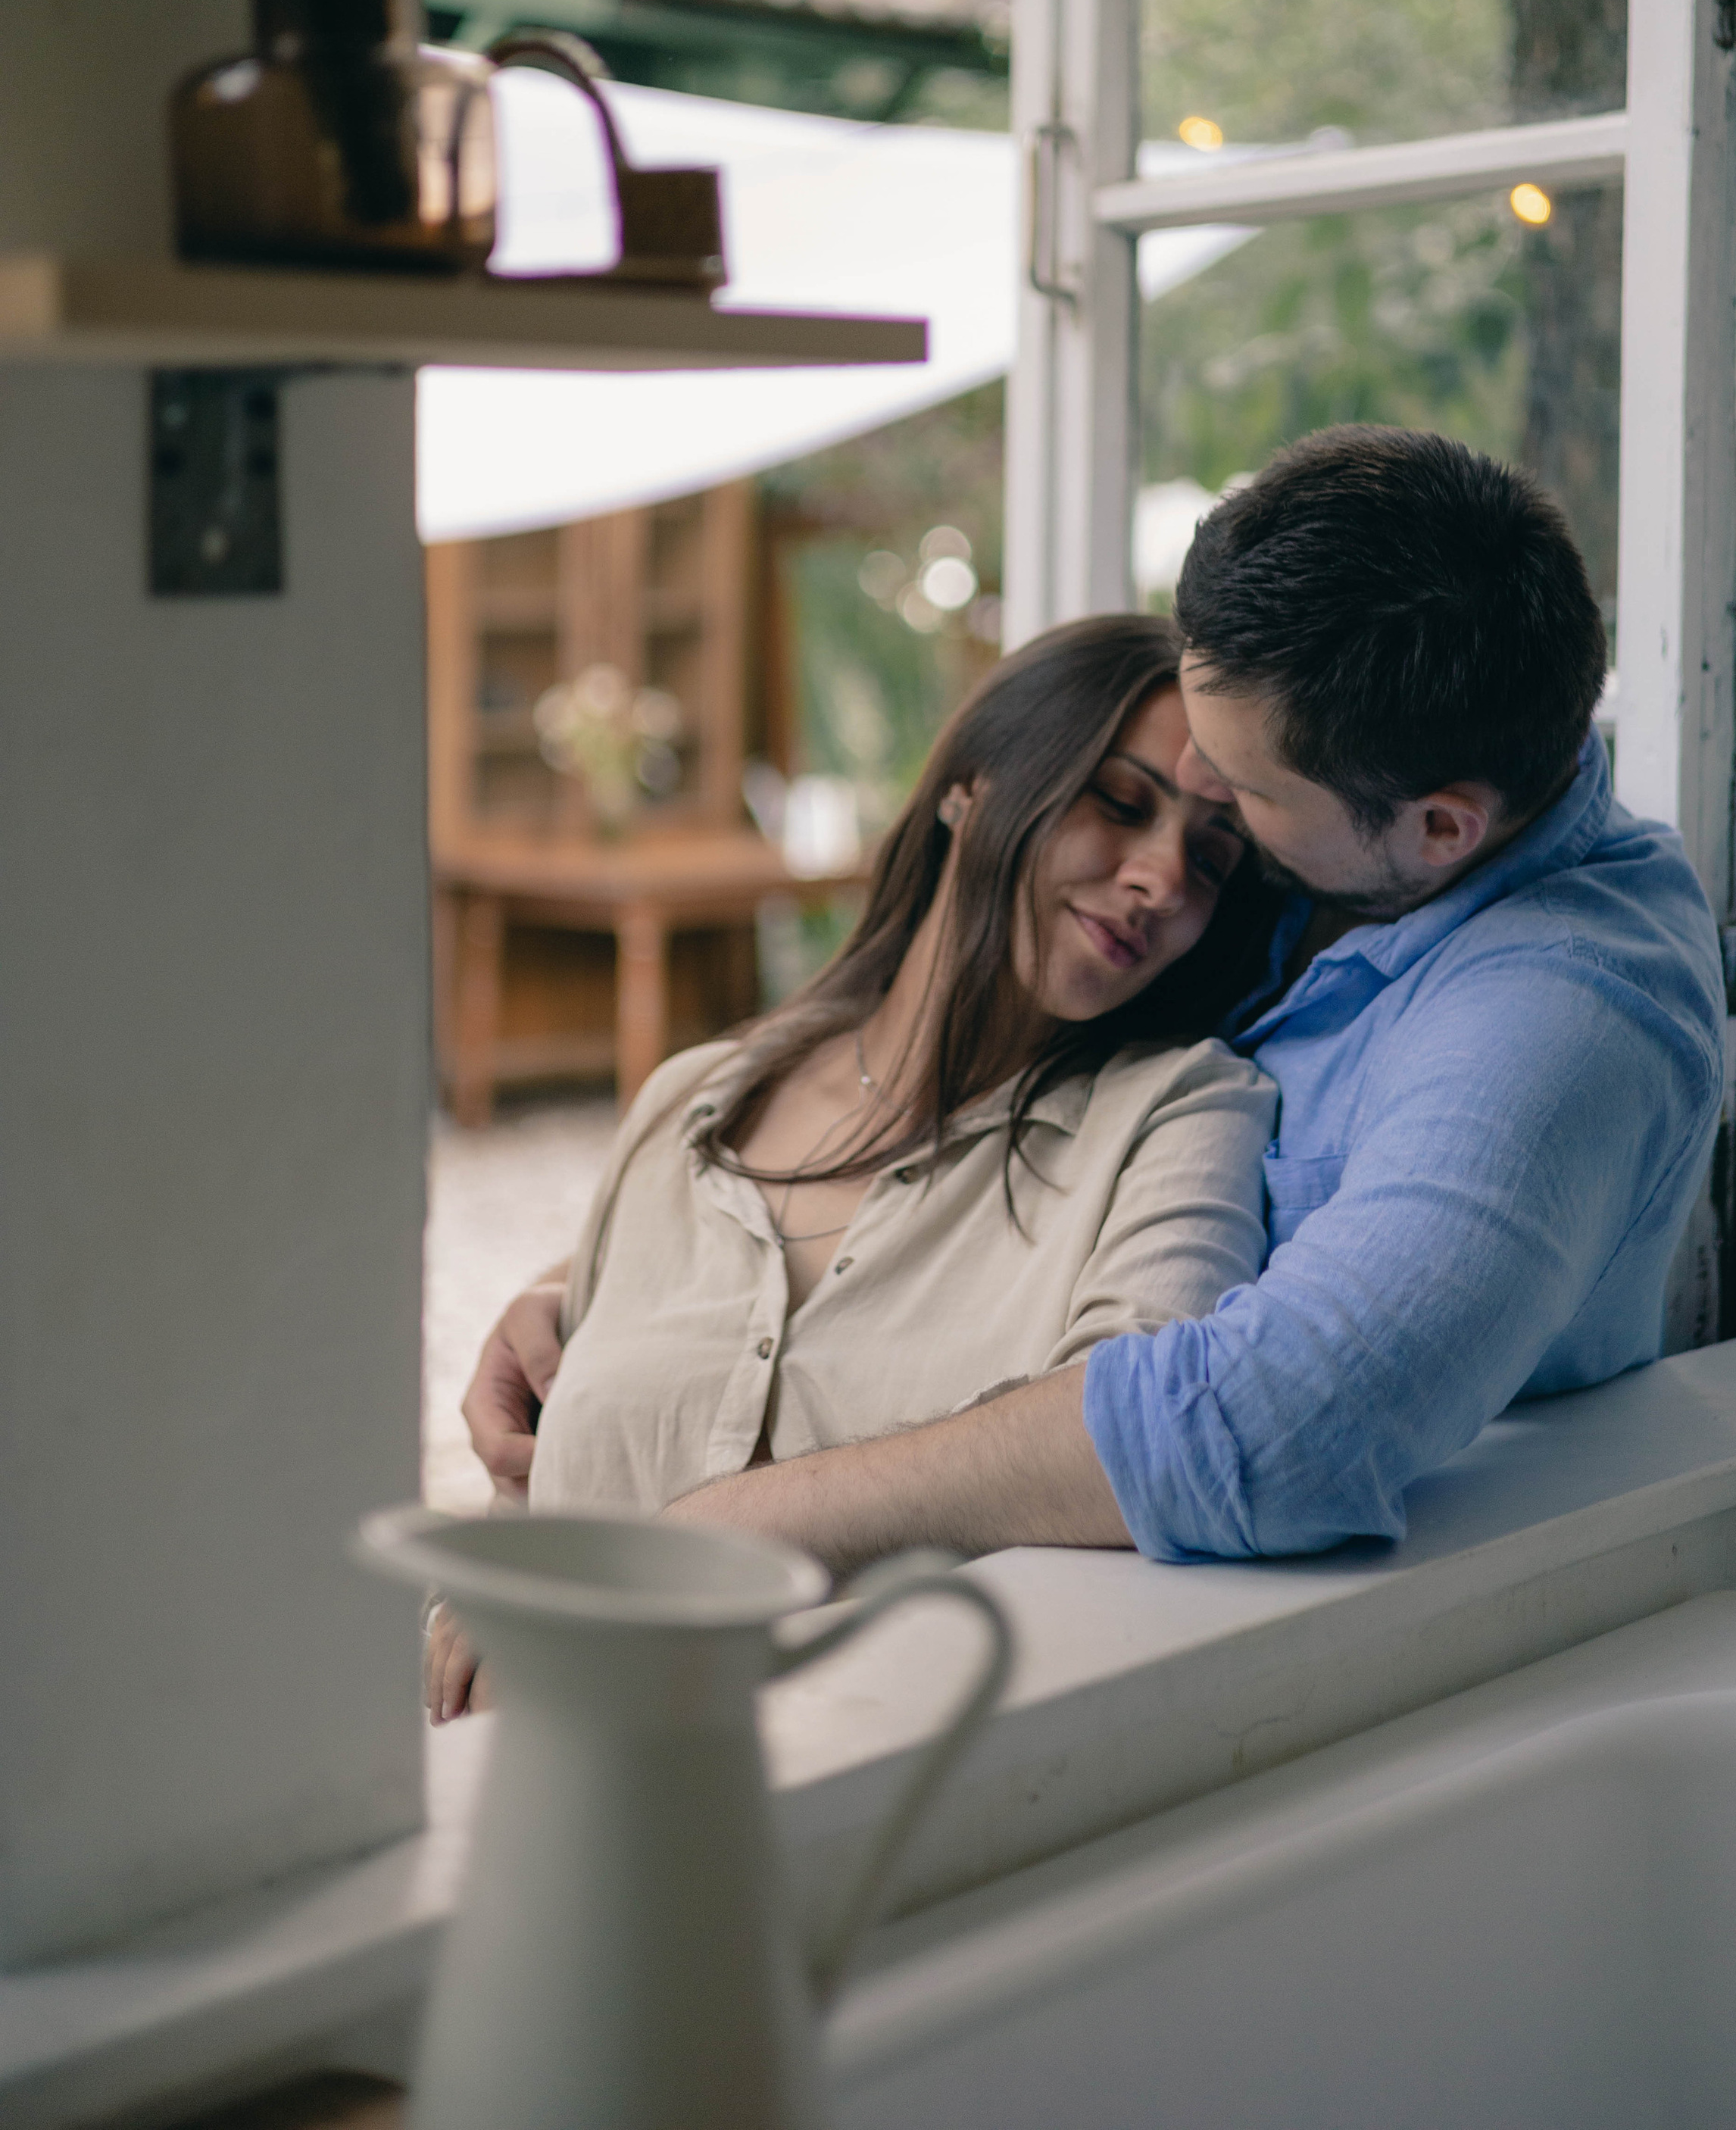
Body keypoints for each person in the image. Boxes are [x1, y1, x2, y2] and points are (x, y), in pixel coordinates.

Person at [463, 426, 1725, 1584]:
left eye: (1237, 804)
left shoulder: (1563, 1018)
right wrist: (617, 1296)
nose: (1178, 853)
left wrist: (733, 1519)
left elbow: (1273, 1427)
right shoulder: (1370, 815)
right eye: (1132, 796)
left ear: (1440, 827)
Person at [429, 614, 1281, 1716]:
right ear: (968, 787)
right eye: (1119, 803)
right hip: (549, 1801)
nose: (1163, 879)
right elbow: (529, 1504)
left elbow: (1143, 1436)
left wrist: (716, 1535)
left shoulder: (1179, 1116)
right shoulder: (691, 1105)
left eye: (1211, 861)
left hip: (887, 1813)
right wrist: (489, 1590)